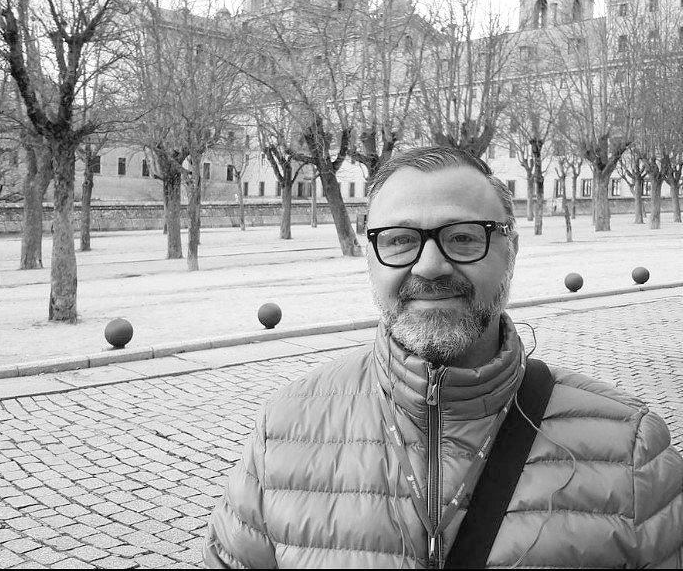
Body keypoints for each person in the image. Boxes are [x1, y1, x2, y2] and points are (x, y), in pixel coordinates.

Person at [204, 146, 683, 569]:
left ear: (510, 251)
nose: (430, 265)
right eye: (399, 240)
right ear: (369, 257)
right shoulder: (282, 428)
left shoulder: (632, 450)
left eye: (464, 237)